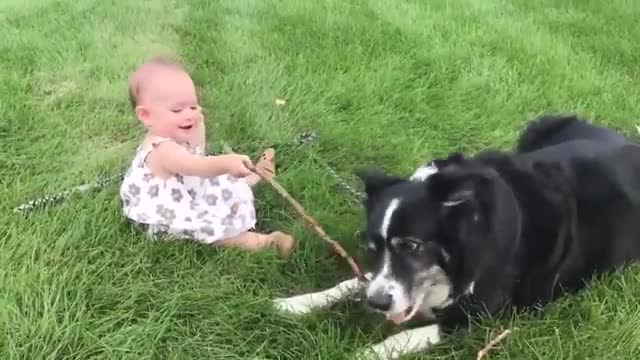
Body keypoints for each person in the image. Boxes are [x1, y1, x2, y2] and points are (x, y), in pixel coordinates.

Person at [119, 56, 295, 257]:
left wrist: (197, 123)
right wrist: (227, 162)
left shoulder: (173, 132)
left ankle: (255, 176)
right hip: (165, 216)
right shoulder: (163, 150)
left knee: (223, 183)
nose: (189, 114)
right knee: (212, 229)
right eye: (177, 109)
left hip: (186, 188)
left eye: (193, 106)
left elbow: (197, 149)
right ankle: (266, 242)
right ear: (146, 116)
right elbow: (198, 165)